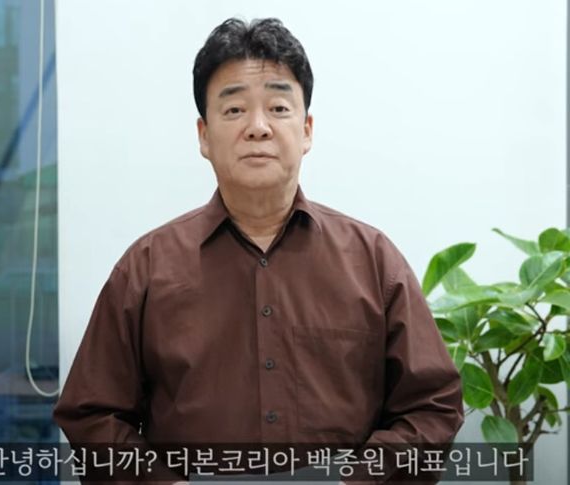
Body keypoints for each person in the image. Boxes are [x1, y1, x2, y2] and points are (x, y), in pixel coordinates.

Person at [53, 17, 464, 484]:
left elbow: (433, 405)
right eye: (234, 110)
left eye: (278, 107)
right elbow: (91, 415)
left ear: (306, 130)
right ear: (204, 135)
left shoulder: (373, 260)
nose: (258, 127)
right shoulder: (146, 268)